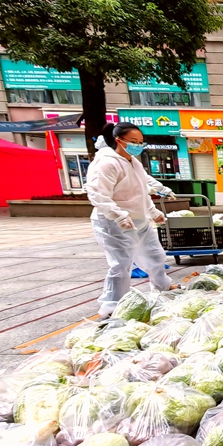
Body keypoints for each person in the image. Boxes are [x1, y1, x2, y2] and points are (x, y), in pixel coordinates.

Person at [85, 122, 172, 319]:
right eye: (133, 142)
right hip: (114, 224)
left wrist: (152, 211)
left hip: (139, 220)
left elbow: (141, 191)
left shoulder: (134, 162)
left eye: (141, 142)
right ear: (119, 141)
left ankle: (162, 286)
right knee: (121, 264)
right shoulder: (106, 163)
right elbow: (98, 195)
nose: (138, 146)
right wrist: (119, 215)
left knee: (155, 255)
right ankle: (112, 305)